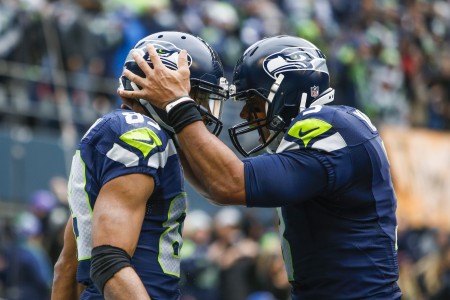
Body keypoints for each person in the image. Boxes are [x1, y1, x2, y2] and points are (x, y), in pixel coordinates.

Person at [118, 35, 402, 299]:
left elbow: (229, 184)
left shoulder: (330, 125)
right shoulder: (340, 127)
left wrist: (178, 106)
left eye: (253, 100)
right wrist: (171, 123)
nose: (244, 113)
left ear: (287, 91)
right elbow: (214, 186)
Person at [52, 31, 228, 300]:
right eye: (197, 97)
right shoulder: (141, 135)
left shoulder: (119, 130)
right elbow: (110, 261)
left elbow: (67, 266)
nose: (200, 110)